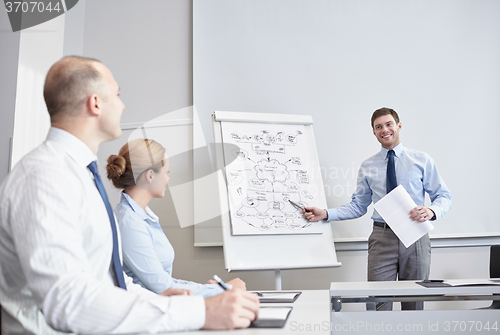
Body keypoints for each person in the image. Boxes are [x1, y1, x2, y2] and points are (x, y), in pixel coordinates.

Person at [0, 56, 259, 334]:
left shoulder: (80, 175)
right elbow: (67, 300)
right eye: (118, 94)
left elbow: (109, 279)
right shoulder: (44, 176)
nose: (123, 105)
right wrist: (198, 311)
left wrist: (155, 301)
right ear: (96, 102)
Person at [304, 107, 452, 311]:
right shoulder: (368, 166)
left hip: (416, 235)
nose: (385, 130)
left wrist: (432, 211)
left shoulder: (421, 160)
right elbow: (358, 206)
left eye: (389, 124)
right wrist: (326, 213)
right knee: (377, 304)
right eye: (378, 127)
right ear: (374, 132)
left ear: (399, 126)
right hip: (382, 238)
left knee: (414, 303)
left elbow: (443, 196)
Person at [106, 139, 246, 297]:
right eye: (167, 172)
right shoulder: (129, 223)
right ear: (150, 175)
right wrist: (222, 289)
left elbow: (165, 281)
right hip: (149, 311)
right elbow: (163, 287)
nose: (168, 179)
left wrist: (214, 288)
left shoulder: (140, 216)